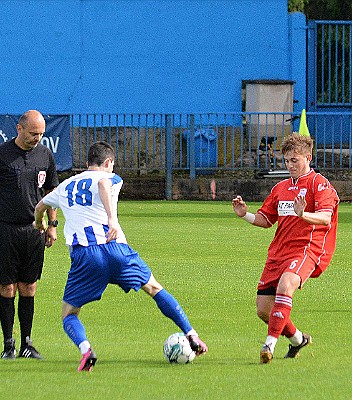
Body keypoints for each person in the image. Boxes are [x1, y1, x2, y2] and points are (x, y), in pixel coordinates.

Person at [33, 141, 208, 372]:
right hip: (116, 249)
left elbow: (40, 206)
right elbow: (104, 183)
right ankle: (192, 335)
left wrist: (40, 224)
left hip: (85, 256)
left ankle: (86, 350)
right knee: (154, 288)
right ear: (108, 163)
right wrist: (112, 219)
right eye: (111, 165)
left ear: (87, 163)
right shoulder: (111, 177)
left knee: (69, 313)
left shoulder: (65, 185)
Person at [232, 133, 339, 364]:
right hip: (278, 252)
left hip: (306, 249)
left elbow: (325, 218)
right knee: (263, 310)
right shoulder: (281, 187)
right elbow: (266, 219)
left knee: (286, 284)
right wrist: (245, 215)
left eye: (295, 160)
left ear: (308, 158)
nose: (290, 165)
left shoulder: (318, 184)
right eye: (287, 161)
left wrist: (303, 214)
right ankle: (298, 339)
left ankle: (268, 345)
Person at [0, 110, 59, 360]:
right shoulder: (0, 155)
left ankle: (27, 344)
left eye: (41, 134)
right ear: (19, 129)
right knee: (7, 287)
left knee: (29, 286)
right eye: (33, 133)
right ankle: (8, 344)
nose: (38, 138)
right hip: (6, 229)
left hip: (34, 231)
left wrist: (52, 224)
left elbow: (51, 191)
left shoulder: (45, 155)